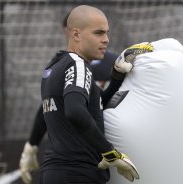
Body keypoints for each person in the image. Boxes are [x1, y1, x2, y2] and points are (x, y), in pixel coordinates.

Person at [25, 5, 140, 184]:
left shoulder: (54, 66)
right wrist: (109, 152)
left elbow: (92, 106)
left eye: (107, 33)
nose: (106, 40)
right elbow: (75, 111)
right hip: (77, 173)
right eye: (99, 33)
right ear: (76, 34)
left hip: (54, 172)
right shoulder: (78, 65)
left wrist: (116, 77)